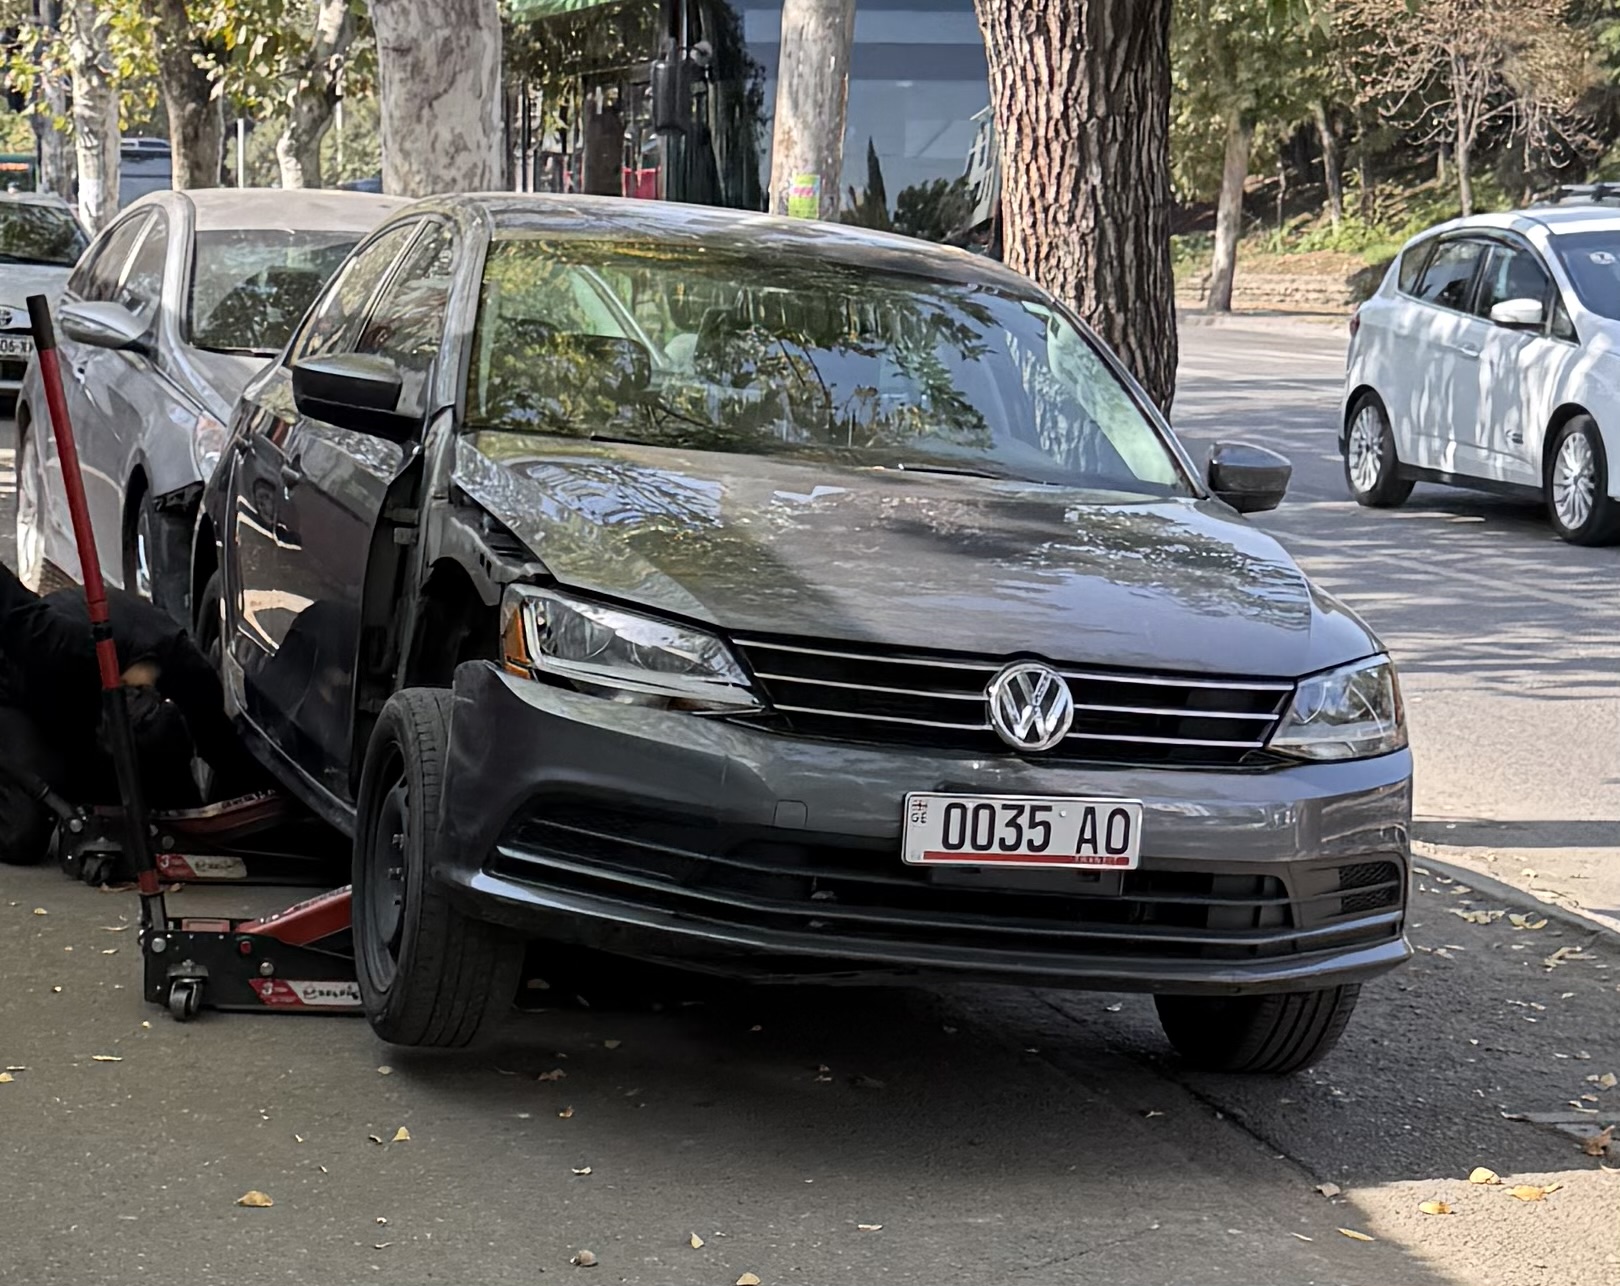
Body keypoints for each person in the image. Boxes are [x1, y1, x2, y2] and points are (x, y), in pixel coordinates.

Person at [0, 560, 262, 865]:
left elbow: (216, 734)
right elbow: (34, 633)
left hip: (109, 660)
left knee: (161, 754)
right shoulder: (53, 650)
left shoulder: (170, 655)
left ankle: (157, 791)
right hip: (27, 688)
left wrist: (251, 793)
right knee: (22, 834)